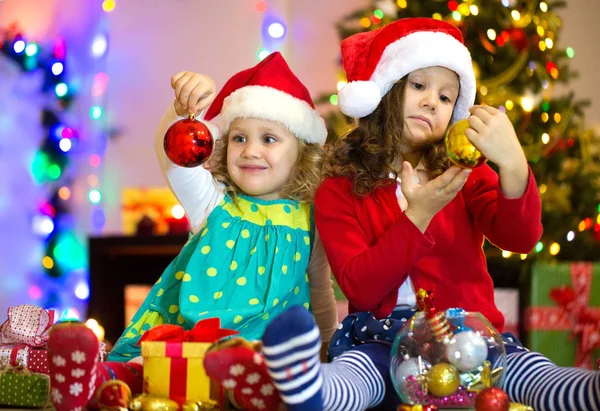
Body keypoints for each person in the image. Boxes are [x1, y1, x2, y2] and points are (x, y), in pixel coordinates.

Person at [253, 18, 600, 411]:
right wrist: (416, 217)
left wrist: (515, 166)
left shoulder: (466, 173)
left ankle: (590, 391)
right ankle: (308, 387)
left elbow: (519, 237)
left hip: (470, 338)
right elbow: (362, 289)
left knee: (530, 372)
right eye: (418, 86)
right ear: (385, 91)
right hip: (381, 341)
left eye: (447, 97)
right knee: (356, 375)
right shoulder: (339, 186)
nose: (432, 101)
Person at [47, 52, 338, 411]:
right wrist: (187, 113)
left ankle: (247, 392)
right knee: (143, 369)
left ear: (302, 152)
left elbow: (320, 293)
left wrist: (328, 353)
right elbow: (174, 158)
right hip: (188, 344)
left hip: (262, 354)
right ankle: (92, 383)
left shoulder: (310, 221)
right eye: (239, 139)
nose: (251, 151)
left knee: (262, 380)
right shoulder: (214, 203)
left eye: (269, 139)